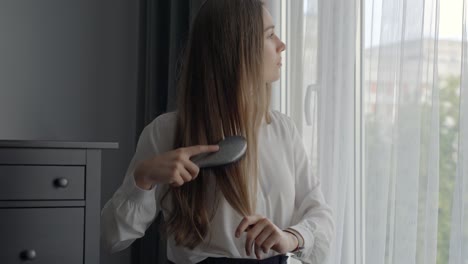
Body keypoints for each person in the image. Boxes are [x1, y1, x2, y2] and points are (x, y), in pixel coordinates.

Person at [101, 0, 334, 263]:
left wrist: (290, 237)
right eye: (269, 35)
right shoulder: (165, 133)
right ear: (236, 48)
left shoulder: (283, 130)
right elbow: (113, 238)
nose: (281, 45)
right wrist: (142, 179)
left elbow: (320, 216)